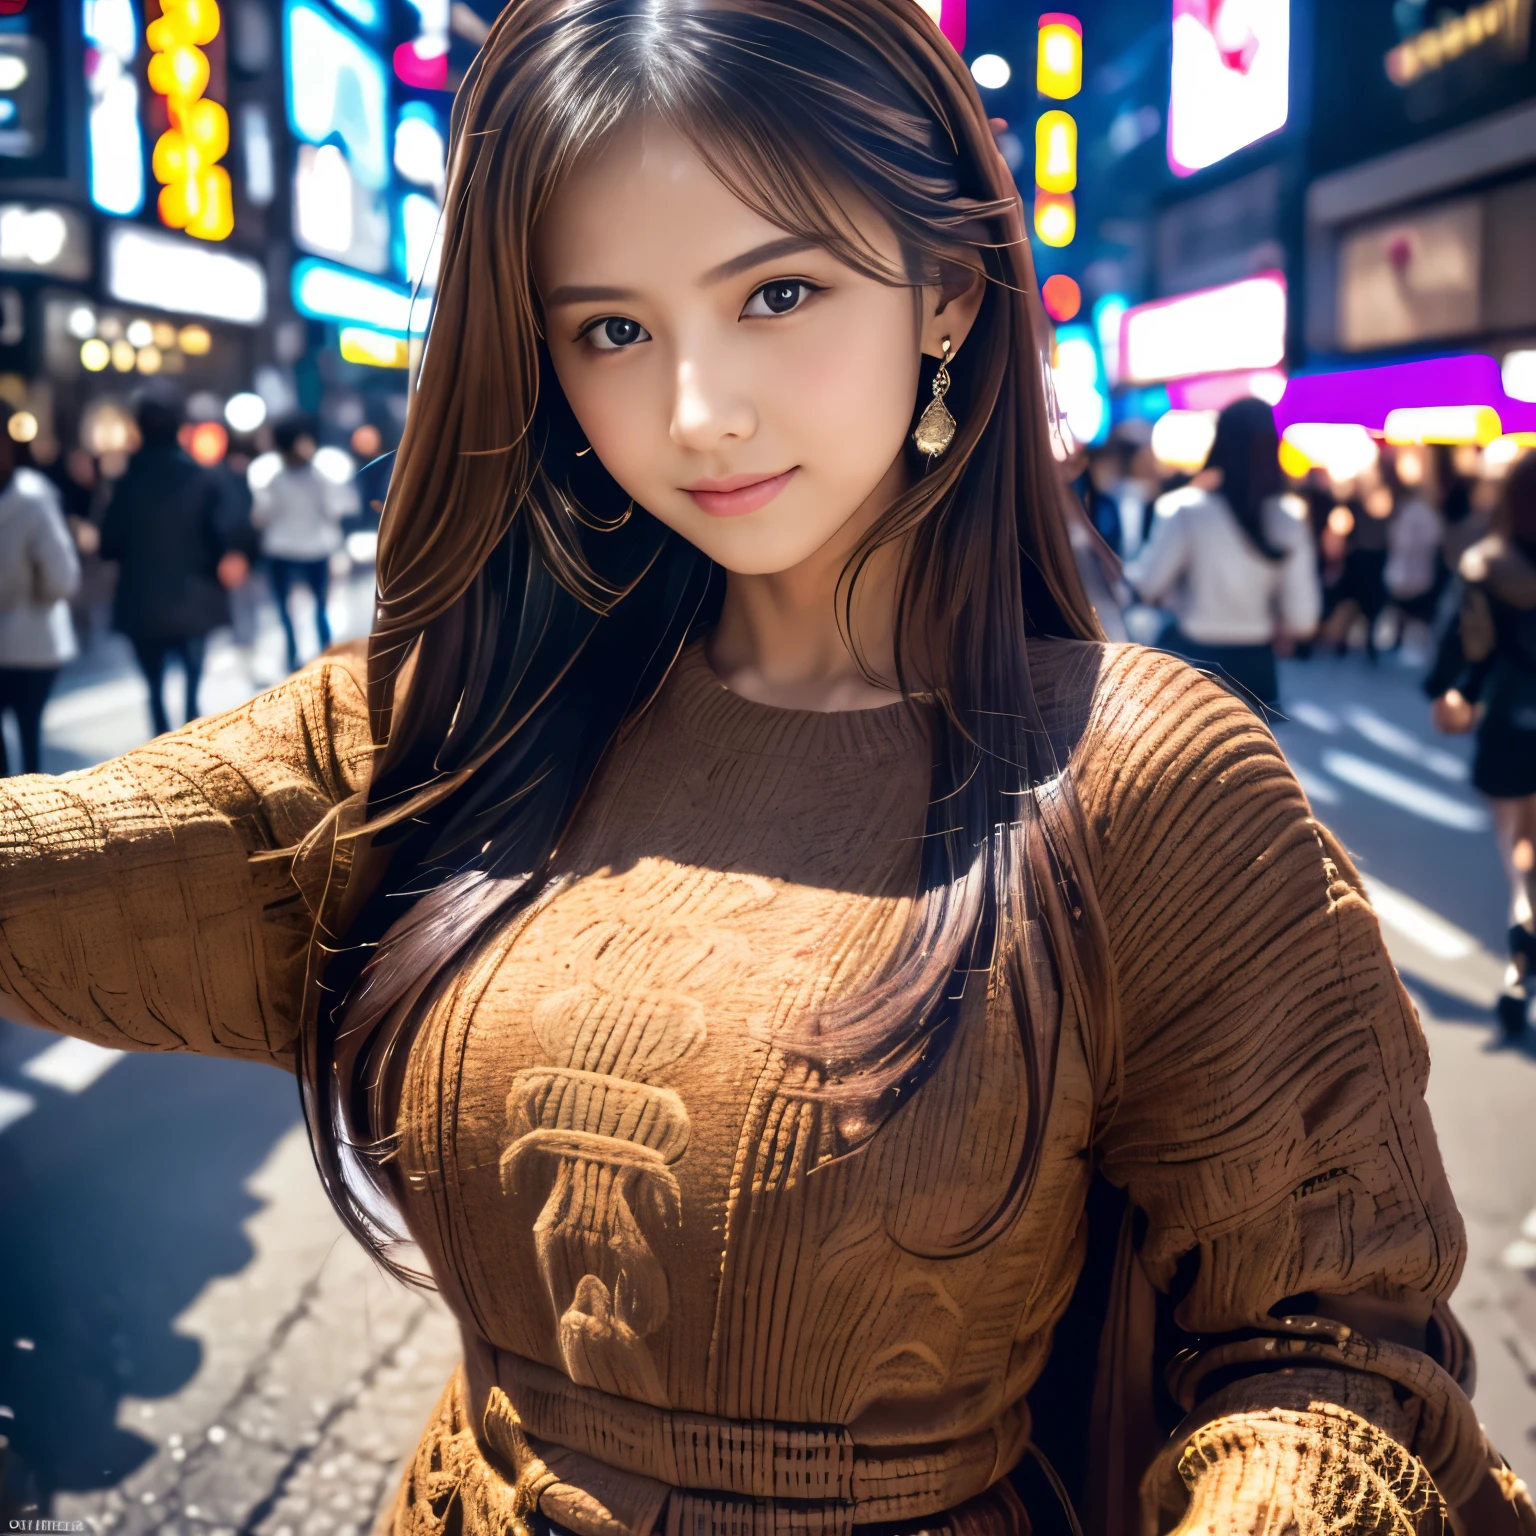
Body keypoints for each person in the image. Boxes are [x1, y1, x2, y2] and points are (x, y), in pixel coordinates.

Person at [0, 5, 1530, 1534]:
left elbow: (1335, 1362)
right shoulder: (453, 727)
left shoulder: (1146, 785)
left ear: (945, 289)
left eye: (778, 291)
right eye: (611, 329)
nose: (694, 413)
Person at [1426, 451, 1536, 1043]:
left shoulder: (1486, 565)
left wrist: (1452, 691)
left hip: (1512, 719)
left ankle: (1522, 926)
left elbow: (1469, 644)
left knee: (1516, 841)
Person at [1124, 396, 1319, 712]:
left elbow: (1148, 586)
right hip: (1257, 670)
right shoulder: (1289, 518)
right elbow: (1304, 619)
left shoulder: (1184, 510)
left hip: (1193, 664)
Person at [99, 394, 230, 737]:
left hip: (142, 599)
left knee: (154, 686)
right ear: (180, 429)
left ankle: (159, 743)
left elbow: (108, 544)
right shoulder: (201, 477)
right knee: (191, 682)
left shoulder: (127, 482)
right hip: (194, 595)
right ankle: (191, 738)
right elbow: (221, 535)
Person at [0, 413, 79, 774]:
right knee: (31, 739)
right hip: (35, 639)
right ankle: (33, 825)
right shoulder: (34, 499)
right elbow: (63, 579)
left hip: (26, 640)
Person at [251, 413, 356, 673]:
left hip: (281, 549)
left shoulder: (274, 479)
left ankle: (294, 654)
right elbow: (338, 508)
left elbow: (261, 517)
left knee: (286, 608)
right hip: (315, 548)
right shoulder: (320, 477)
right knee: (320, 605)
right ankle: (326, 652)